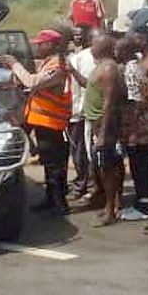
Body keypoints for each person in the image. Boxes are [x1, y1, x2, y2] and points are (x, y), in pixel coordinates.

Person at [0, 29, 72, 215]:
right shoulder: (50, 62)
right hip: (44, 122)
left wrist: (15, 64)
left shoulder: (56, 66)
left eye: (41, 44)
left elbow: (32, 82)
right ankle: (51, 200)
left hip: (52, 124)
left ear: (51, 45)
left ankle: (58, 204)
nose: (37, 46)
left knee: (54, 167)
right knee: (49, 165)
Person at [118, 28, 148, 221]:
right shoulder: (140, 58)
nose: (133, 39)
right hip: (136, 114)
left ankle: (144, 204)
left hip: (144, 116)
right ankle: (143, 199)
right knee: (136, 159)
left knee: (141, 160)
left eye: (136, 37)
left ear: (145, 39)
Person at [81, 34, 123, 226]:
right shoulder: (101, 66)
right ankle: (110, 205)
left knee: (107, 167)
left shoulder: (108, 69)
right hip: (96, 122)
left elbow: (109, 103)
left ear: (102, 48)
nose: (91, 48)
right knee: (102, 166)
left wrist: (103, 133)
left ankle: (110, 210)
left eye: (94, 45)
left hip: (103, 123)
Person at [65, 26, 100, 199]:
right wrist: (73, 112)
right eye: (95, 39)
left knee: (94, 152)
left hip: (99, 114)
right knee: (79, 152)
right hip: (79, 112)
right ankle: (81, 184)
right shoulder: (79, 59)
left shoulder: (109, 60)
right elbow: (73, 88)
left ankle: (94, 187)